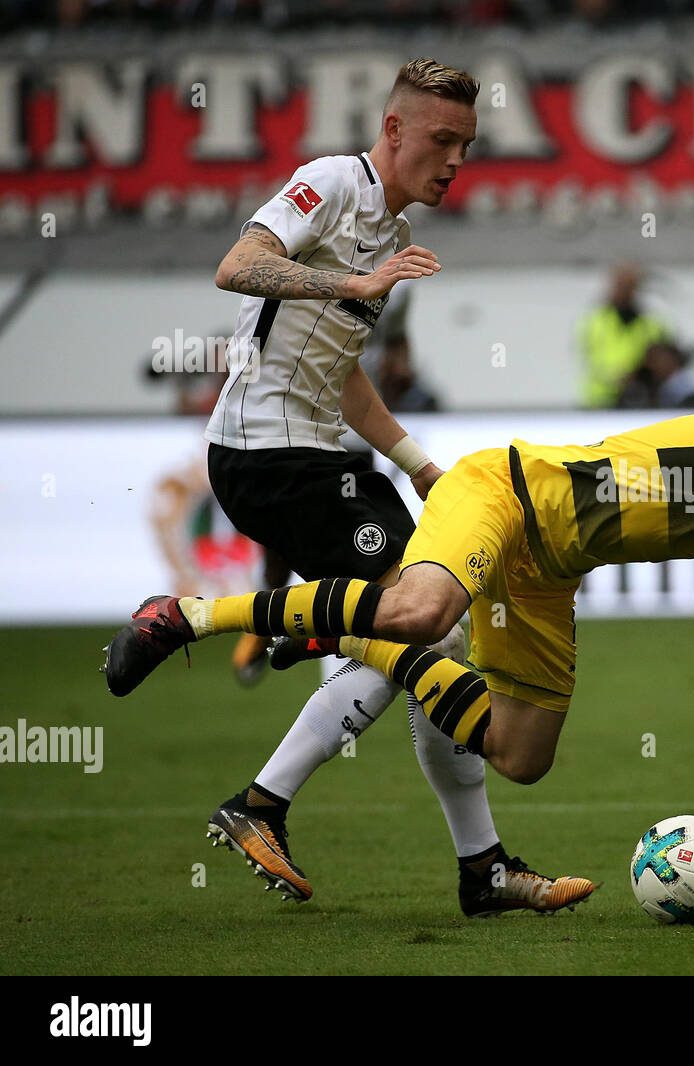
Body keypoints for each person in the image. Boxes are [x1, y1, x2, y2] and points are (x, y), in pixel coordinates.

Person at [112, 57, 593, 917]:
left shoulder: (391, 230)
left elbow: (339, 374)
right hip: (268, 458)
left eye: (467, 144)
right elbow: (237, 264)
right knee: (421, 621)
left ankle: (477, 868)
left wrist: (420, 465)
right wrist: (351, 282)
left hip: (323, 458)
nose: (454, 159)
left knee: (423, 642)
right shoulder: (332, 183)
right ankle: (261, 799)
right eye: (441, 140)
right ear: (395, 130)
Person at [106, 402, 694, 820]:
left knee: (521, 756)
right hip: (509, 493)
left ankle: (352, 640)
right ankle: (193, 615)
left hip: (547, 573)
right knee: (421, 603)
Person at [576, 263, 671, 408]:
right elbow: (591, 359)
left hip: (640, 399)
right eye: (620, 285)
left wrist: (641, 376)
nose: (624, 291)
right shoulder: (594, 321)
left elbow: (664, 359)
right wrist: (619, 377)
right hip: (599, 401)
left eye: (630, 286)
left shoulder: (651, 323)